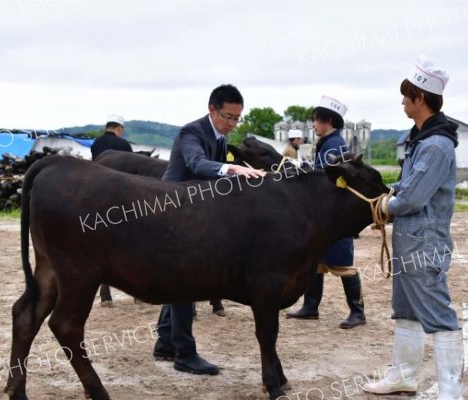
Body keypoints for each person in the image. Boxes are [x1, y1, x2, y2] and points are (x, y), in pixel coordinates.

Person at [363, 55, 463, 399]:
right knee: (405, 309)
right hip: (410, 238)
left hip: (425, 241)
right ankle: (404, 376)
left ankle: (451, 390)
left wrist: (383, 206)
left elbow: (412, 198)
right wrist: (391, 200)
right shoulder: (421, 138)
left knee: (437, 312)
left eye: (406, 96)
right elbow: (406, 187)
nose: (403, 101)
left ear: (421, 98)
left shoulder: (436, 145)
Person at [153, 84, 265, 375]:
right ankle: (184, 353)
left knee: (179, 281)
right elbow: (197, 164)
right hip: (172, 210)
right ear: (211, 110)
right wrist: (234, 169)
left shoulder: (221, 139)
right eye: (228, 117)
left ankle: (166, 342)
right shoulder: (192, 132)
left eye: (237, 118)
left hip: (196, 214)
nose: (232, 123)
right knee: (184, 281)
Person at [286, 96, 366, 329]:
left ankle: (358, 312)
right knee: (317, 263)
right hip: (325, 214)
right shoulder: (330, 142)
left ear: (328, 121)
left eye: (316, 120)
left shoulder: (334, 145)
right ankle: (310, 307)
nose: (313, 125)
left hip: (335, 215)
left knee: (344, 265)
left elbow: (330, 179)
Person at [91, 114, 133, 307]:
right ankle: (136, 292)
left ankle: (105, 294)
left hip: (98, 197)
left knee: (101, 244)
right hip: (121, 198)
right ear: (120, 129)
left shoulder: (95, 144)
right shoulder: (124, 146)